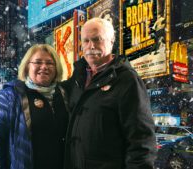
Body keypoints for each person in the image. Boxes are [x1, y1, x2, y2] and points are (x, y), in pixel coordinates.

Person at [62, 18, 156, 169]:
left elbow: (142, 141)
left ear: (111, 41)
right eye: (85, 41)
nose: (91, 46)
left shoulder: (127, 80)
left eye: (97, 39)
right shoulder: (78, 77)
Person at [0, 44, 69, 169]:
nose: (44, 67)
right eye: (38, 62)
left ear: (56, 68)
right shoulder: (10, 96)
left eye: (50, 63)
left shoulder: (64, 94)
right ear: (27, 66)